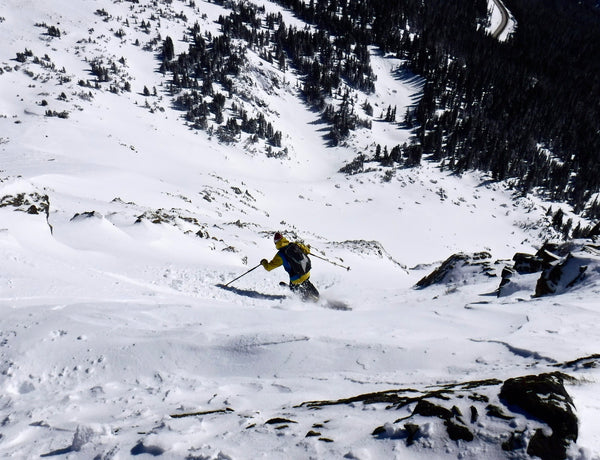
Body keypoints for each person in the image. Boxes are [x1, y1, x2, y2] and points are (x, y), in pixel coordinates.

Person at [261, 232, 320, 301]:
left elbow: (268, 267)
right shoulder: (294, 245)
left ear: (276, 243)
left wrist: (263, 262)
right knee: (305, 282)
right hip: (306, 272)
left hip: (296, 278)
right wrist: (306, 247)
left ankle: (306, 298)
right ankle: (316, 295)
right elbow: (307, 250)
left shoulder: (280, 255)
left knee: (294, 287)